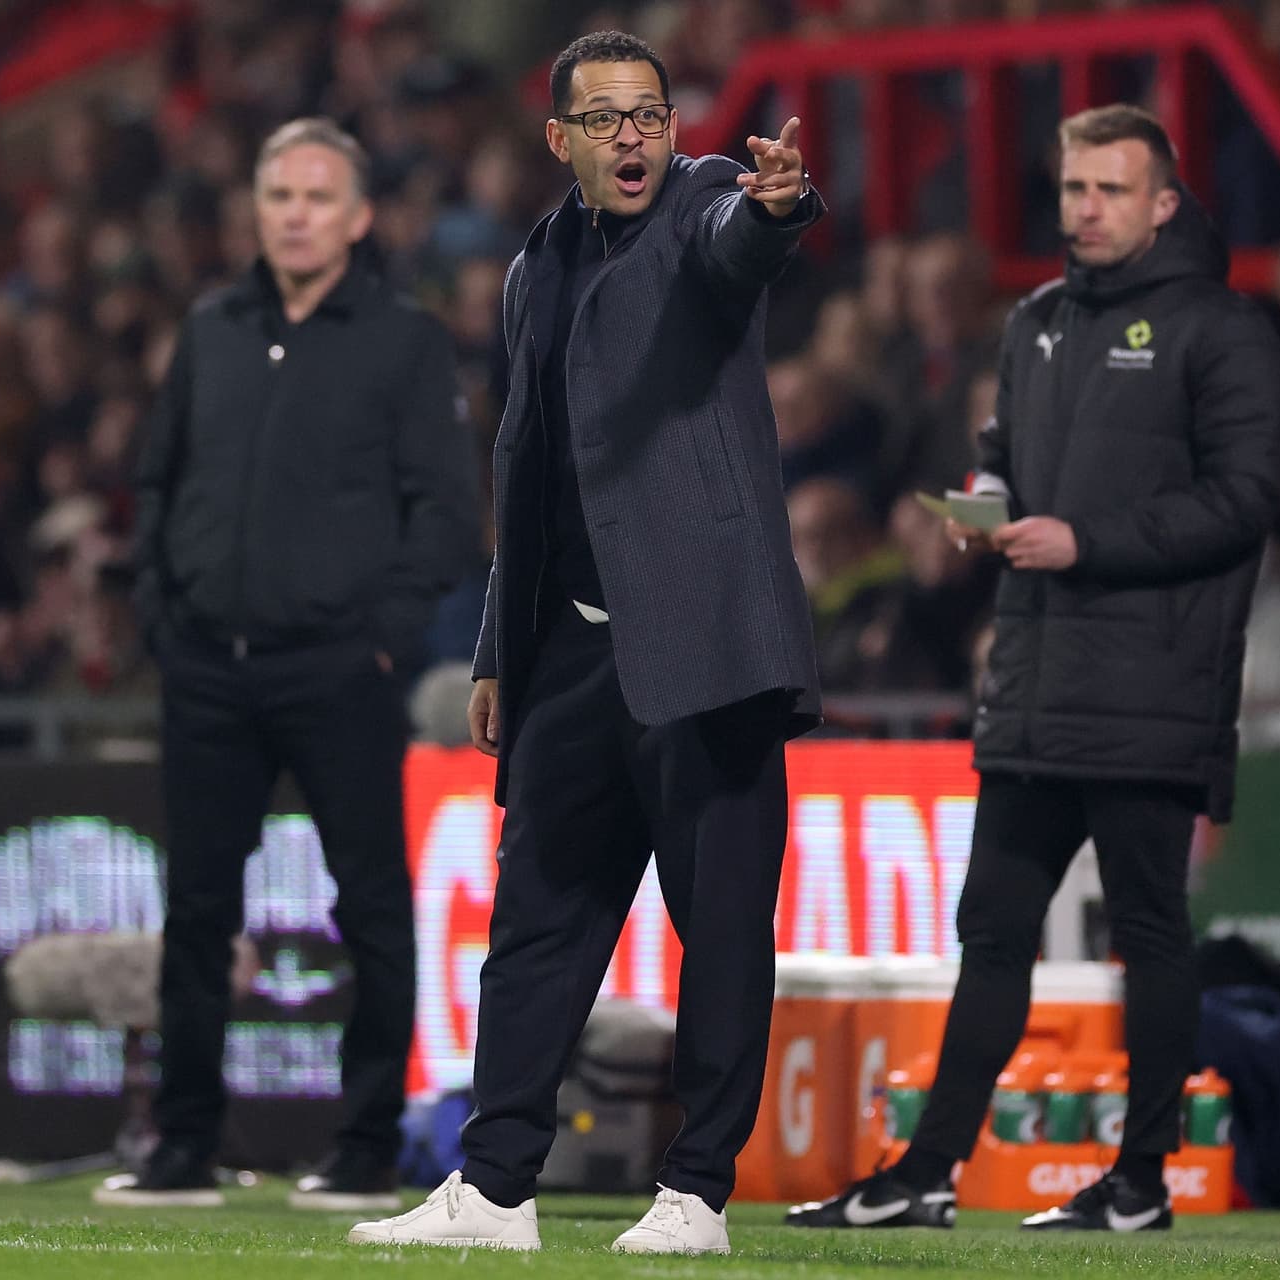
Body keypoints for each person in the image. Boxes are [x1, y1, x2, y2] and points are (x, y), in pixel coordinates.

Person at [347, 30, 822, 1256]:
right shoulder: (534, 265)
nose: (633, 137)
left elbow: (742, 243)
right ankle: (496, 1186)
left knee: (718, 923)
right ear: (558, 139)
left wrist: (779, 204)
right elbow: (529, 472)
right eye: (605, 119)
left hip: (707, 640)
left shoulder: (711, 200)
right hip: (569, 649)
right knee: (537, 924)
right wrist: (502, 645)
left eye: (649, 115)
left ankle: (696, 1193)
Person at [787, 104, 1280, 1233]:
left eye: (1113, 189)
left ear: (1164, 203)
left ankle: (1141, 1178)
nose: (1088, 208)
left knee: (1148, 928)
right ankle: (927, 1171)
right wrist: (991, 508)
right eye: (1073, 189)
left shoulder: (1222, 331)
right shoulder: (1037, 323)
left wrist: (1086, 540)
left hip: (1153, 680)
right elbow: (1007, 459)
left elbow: (1248, 500)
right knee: (994, 927)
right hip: (1037, 670)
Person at [100, 119, 479, 1210]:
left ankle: (363, 1144)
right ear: (254, 210)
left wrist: (376, 633)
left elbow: (447, 516)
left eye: (318, 195)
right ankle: (182, 1143)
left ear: (360, 219)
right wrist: (162, 615)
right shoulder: (211, 328)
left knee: (368, 906)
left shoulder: (403, 342)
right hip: (206, 667)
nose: (296, 212)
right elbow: (158, 483)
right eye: (278, 193)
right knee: (197, 911)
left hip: (336, 669)